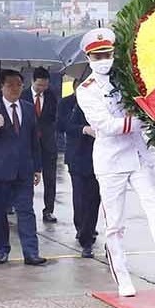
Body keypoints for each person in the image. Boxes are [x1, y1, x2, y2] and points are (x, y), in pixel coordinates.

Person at [73, 29, 155, 295]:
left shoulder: (126, 80)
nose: (104, 60)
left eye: (107, 54)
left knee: (152, 201)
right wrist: (145, 119)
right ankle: (122, 277)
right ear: (89, 57)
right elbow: (106, 125)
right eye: (98, 56)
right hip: (111, 161)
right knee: (115, 224)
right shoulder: (86, 90)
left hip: (137, 153)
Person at [0, 69, 46, 266]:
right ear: (2, 87)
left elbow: (34, 140)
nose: (15, 88)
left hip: (23, 169)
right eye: (10, 85)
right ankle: (1, 249)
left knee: (26, 211)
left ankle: (31, 252)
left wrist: (37, 168)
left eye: (18, 85)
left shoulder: (28, 108)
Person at [59, 85, 100, 259]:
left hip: (98, 157)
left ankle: (88, 231)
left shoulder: (100, 102)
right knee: (80, 196)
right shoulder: (70, 104)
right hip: (77, 156)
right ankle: (83, 232)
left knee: (94, 198)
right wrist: (83, 129)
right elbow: (62, 125)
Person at [31, 67, 61, 223]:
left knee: (50, 178)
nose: (42, 88)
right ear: (33, 82)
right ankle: (24, 207)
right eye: (39, 85)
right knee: (26, 176)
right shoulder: (23, 96)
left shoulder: (51, 96)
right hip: (29, 144)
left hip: (47, 143)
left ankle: (48, 210)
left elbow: (52, 119)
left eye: (45, 85)